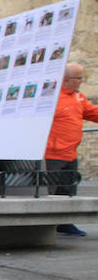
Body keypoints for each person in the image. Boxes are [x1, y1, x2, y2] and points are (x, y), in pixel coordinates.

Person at [45, 62, 98, 236]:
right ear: (67, 80)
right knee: (49, 191)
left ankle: (64, 223)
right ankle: (44, 225)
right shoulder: (51, 97)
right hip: (52, 154)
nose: (82, 81)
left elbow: (94, 113)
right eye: (79, 77)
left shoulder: (79, 98)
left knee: (68, 190)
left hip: (70, 153)